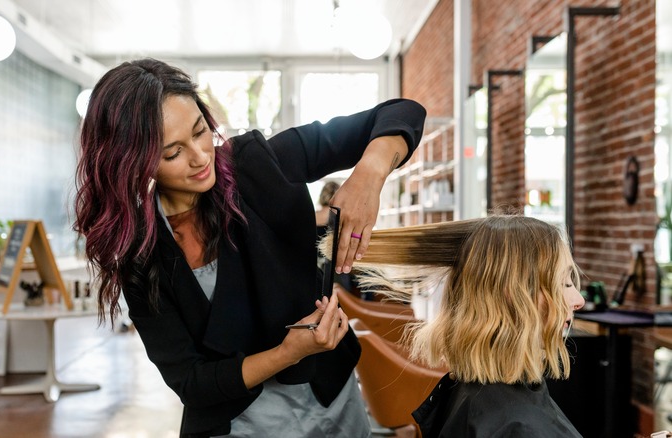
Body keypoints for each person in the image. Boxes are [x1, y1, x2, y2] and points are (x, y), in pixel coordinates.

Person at [73, 58, 426, 437]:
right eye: (172, 153)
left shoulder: (258, 165)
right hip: (238, 425)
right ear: (134, 165)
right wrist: (287, 353)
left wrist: (369, 175)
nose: (200, 157)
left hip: (331, 401)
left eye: (200, 131)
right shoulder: (142, 255)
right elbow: (192, 382)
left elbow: (401, 113)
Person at [333, 215, 585, 437]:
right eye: (563, 283)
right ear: (513, 294)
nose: (579, 300)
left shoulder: (476, 398)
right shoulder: (518, 427)